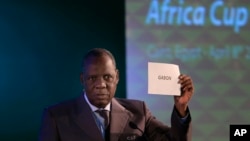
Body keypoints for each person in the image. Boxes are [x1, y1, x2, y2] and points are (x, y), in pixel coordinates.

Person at [38, 48, 194, 141]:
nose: (101, 84)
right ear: (82, 79)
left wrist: (181, 109)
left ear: (117, 77)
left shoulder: (138, 112)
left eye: (107, 77)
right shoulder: (56, 117)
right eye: (93, 78)